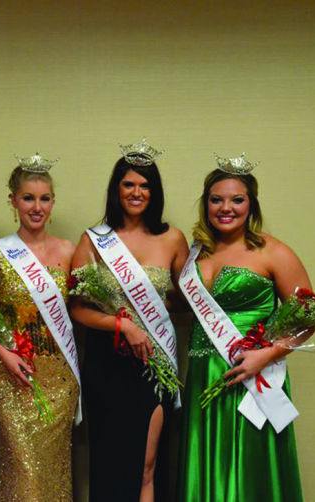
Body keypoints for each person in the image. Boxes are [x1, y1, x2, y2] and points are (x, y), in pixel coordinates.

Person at [177, 154, 308, 502]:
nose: (226, 208)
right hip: (204, 374)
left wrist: (266, 356)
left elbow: (308, 318)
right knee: (206, 464)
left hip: (252, 376)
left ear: (251, 204)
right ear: (206, 204)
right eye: (216, 199)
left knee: (248, 468)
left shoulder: (273, 251)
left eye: (237, 199)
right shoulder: (196, 254)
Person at [70, 140, 188, 502]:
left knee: (147, 464)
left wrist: (151, 317)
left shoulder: (172, 239)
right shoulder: (94, 240)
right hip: (107, 365)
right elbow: (75, 307)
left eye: (145, 185)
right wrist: (122, 325)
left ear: (154, 192)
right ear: (116, 189)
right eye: (129, 184)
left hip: (153, 364)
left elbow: (185, 300)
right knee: (110, 462)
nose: (137, 192)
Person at [0, 154, 80, 501]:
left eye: (45, 198)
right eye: (28, 198)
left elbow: (81, 310)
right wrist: (6, 357)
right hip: (13, 379)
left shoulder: (69, 251)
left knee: (53, 474)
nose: (37, 207)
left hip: (59, 380)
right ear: (13, 201)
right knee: (23, 472)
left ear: (52, 202)